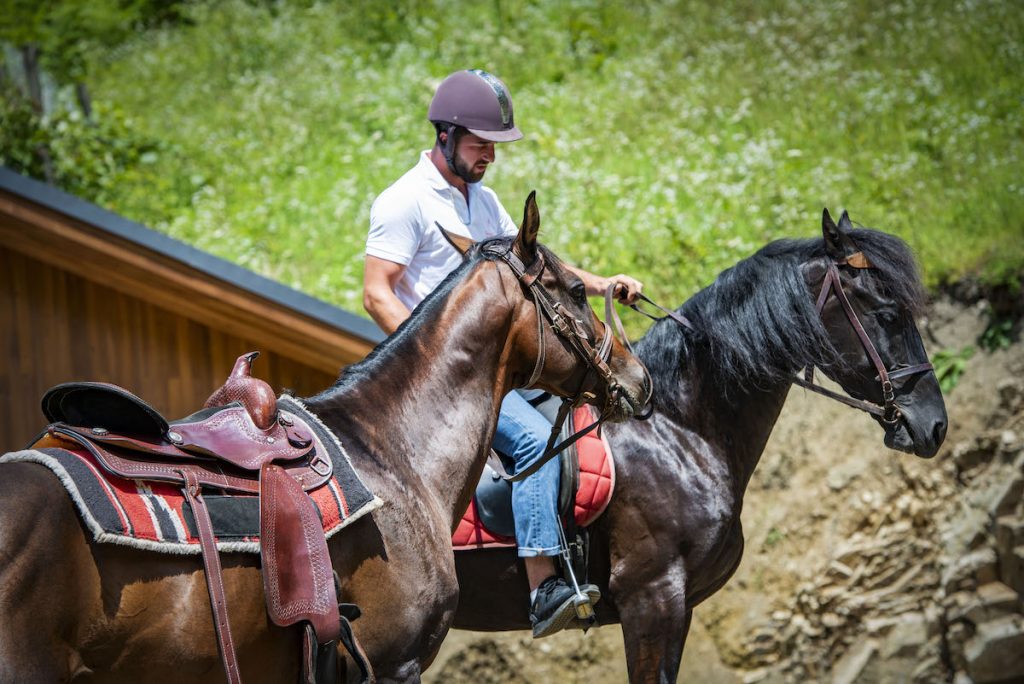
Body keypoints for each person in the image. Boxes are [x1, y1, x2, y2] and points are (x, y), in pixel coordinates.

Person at [363, 68, 643, 638]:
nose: (489, 154)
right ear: (445, 135)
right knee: (536, 441)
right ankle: (543, 585)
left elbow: (535, 268)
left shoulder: (484, 201)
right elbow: (376, 292)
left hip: (500, 368)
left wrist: (601, 283)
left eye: (494, 145)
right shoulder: (405, 202)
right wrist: (425, 361)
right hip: (448, 380)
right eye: (479, 143)